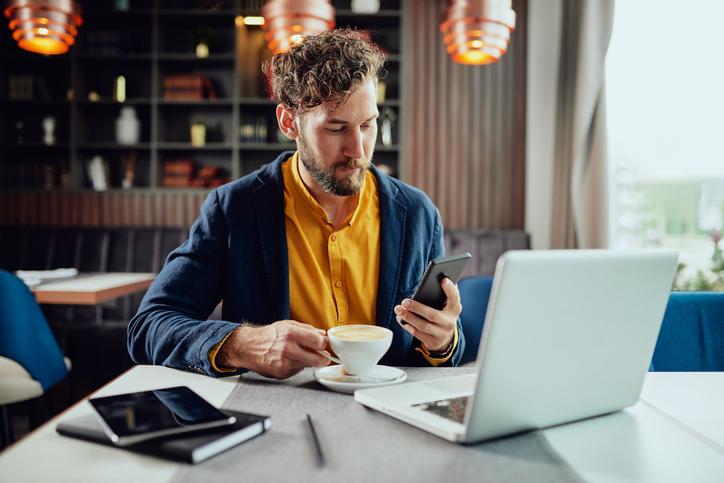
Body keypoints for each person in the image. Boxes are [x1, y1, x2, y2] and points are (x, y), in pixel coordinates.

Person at [128, 29, 466, 379]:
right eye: (336, 128)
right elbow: (149, 326)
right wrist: (244, 344)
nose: (359, 150)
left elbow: (440, 351)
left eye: (368, 125)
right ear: (289, 122)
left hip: (389, 415)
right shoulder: (234, 209)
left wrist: (442, 341)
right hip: (274, 416)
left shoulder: (418, 213)